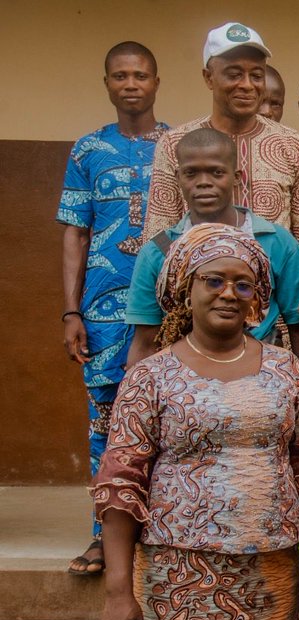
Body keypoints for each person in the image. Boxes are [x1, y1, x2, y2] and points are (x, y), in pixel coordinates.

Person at [94, 222, 299, 620]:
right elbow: (121, 487)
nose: (228, 293)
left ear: (258, 300)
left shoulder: (284, 368)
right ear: (184, 292)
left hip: (269, 573)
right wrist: (118, 591)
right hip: (179, 576)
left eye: (244, 285)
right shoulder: (150, 376)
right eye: (214, 281)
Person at [58, 41, 168, 576]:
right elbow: (76, 235)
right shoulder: (86, 150)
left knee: (170, 420)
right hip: (102, 315)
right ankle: (104, 535)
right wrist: (70, 312)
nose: (131, 84)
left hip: (169, 311)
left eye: (140, 75)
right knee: (104, 423)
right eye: (120, 76)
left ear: (156, 82)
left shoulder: (178, 145)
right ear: (107, 83)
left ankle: (163, 532)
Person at [124, 128, 299, 366]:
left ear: (236, 177)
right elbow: (145, 340)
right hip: (182, 379)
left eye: (216, 172)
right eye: (191, 173)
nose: (203, 183)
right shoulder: (160, 249)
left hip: (261, 372)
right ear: (178, 176)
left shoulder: (275, 241)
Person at [145, 22, 299, 258]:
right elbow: (158, 237)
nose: (247, 85)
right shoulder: (174, 144)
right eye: (234, 74)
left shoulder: (292, 144)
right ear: (209, 78)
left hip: (275, 290)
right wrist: (188, 276)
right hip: (194, 288)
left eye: (256, 75)